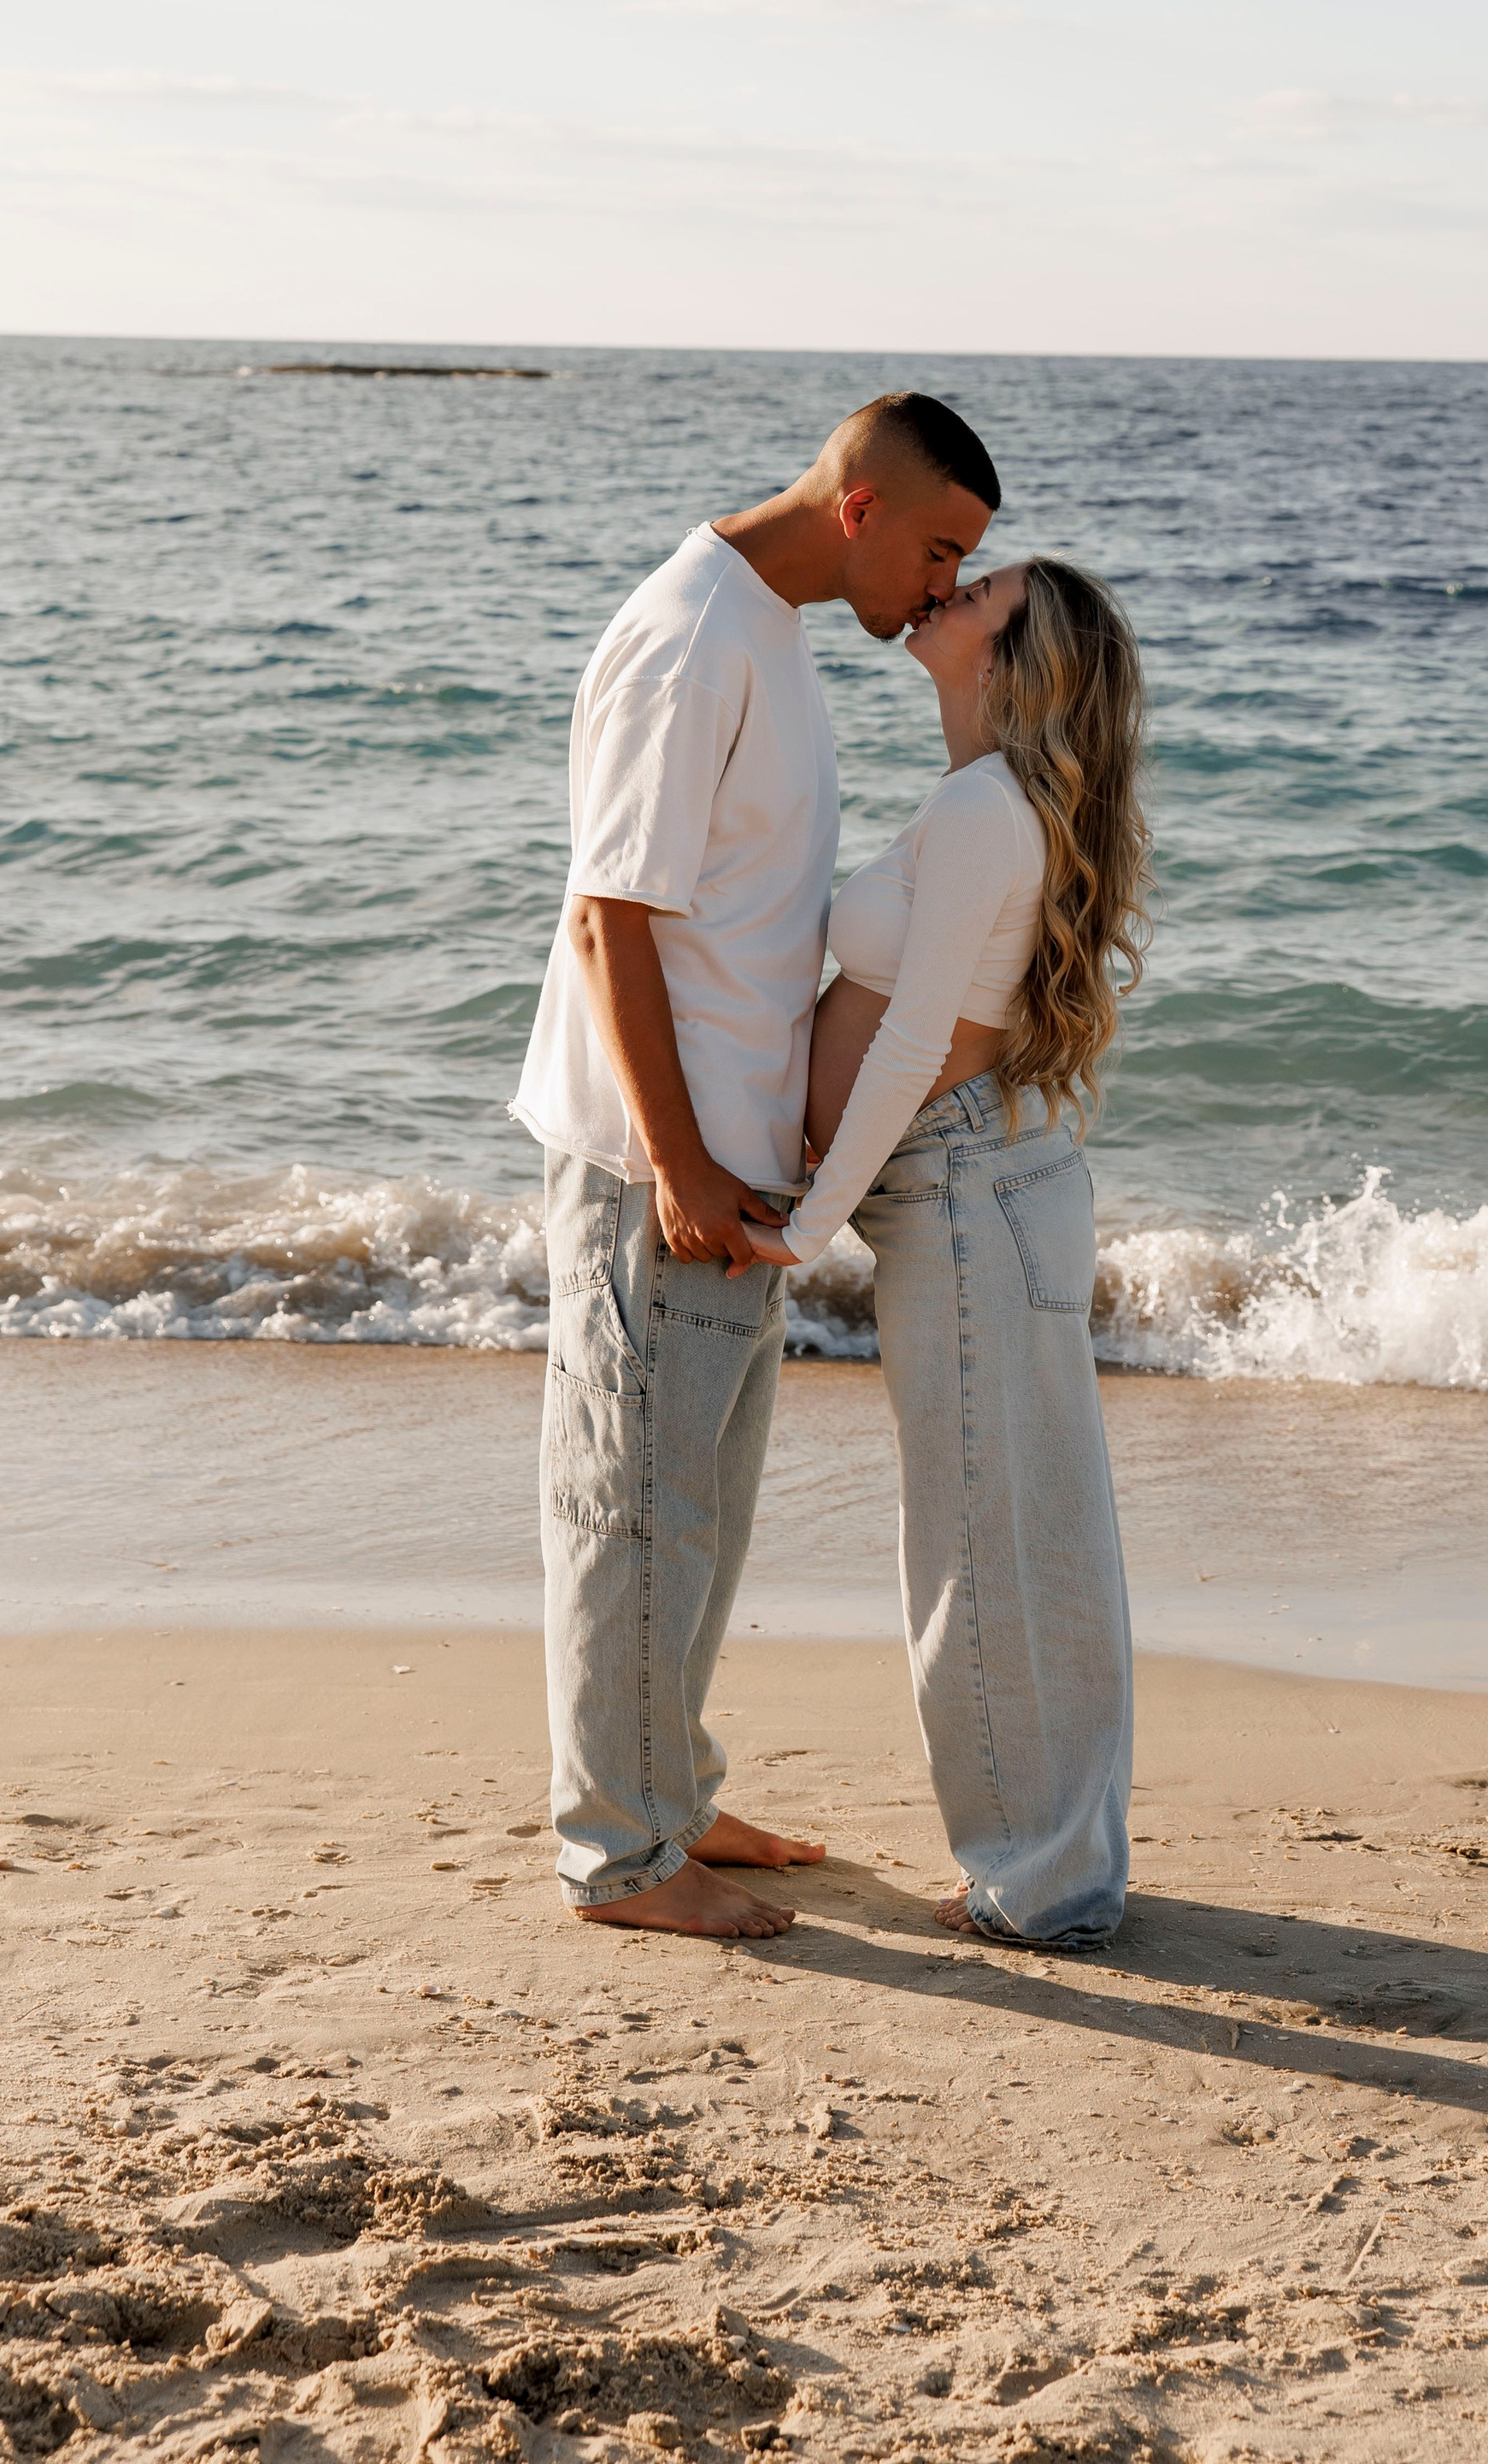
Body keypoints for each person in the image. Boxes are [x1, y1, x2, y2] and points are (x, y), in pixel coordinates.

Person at [512, 393, 1000, 1940]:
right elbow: (614, 918)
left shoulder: (766, 630)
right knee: (632, 1509)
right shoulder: (693, 634)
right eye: (939, 550)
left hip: (728, 1167)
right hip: (665, 1165)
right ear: (861, 503)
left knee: (696, 1507)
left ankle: (669, 1793)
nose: (941, 589)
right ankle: (619, 1855)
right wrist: (676, 1163)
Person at [745, 557, 1151, 1948]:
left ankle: (1039, 1888)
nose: (944, 592)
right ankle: (1063, 1869)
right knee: (1028, 1537)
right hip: (990, 1181)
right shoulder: (992, 804)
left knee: (988, 1545)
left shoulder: (985, 809)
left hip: (970, 1188)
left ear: (1017, 652)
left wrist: (805, 1226)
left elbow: (915, 1042)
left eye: (975, 590)